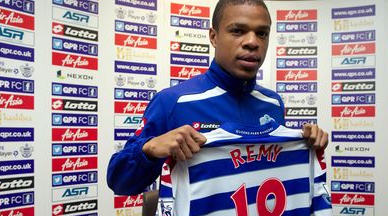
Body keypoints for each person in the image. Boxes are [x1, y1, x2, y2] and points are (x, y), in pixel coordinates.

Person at [107, 0, 328, 196]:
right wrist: (150, 148)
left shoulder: (273, 103)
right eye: (238, 31)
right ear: (213, 36)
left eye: (262, 33)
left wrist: (308, 143)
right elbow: (120, 183)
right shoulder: (172, 102)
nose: (252, 42)